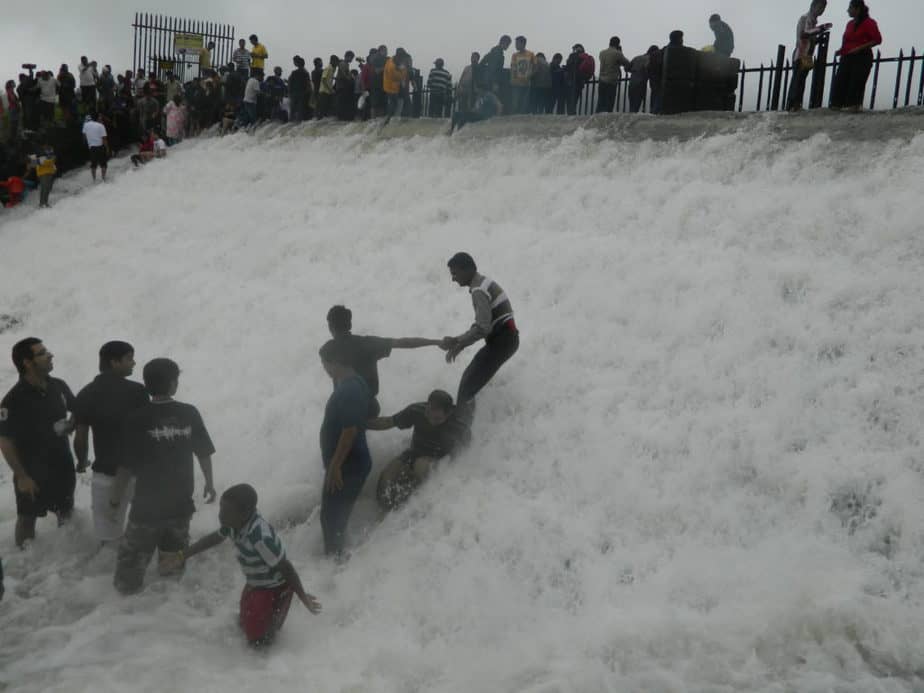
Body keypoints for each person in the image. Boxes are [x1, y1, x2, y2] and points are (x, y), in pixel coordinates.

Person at [113, 358, 216, 595]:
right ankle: (168, 615)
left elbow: (126, 467)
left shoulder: (136, 419)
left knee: (128, 575)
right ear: (173, 384)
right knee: (172, 570)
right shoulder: (189, 413)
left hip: (146, 510)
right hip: (180, 507)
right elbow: (203, 453)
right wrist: (209, 484)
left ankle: (128, 618)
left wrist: (115, 500)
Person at [180, 485, 321, 647]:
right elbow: (215, 538)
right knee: (244, 624)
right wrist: (183, 555)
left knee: (259, 640)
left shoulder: (259, 537)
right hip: (256, 584)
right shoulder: (234, 524)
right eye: (221, 509)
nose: (220, 516)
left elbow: (285, 567)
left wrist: (303, 597)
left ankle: (266, 662)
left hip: (274, 589)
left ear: (244, 513)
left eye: (226, 512)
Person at [0, 338, 76, 548]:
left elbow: (78, 409)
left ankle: (65, 565)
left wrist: (72, 423)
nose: (50, 355)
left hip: (62, 465)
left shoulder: (58, 386)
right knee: (27, 518)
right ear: (27, 362)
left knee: (66, 513)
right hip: (31, 471)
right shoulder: (13, 400)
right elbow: (5, 440)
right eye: (42, 353)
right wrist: (23, 476)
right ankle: (26, 566)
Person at [73, 342, 149, 543]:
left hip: (105, 476)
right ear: (114, 362)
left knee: (108, 539)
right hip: (138, 475)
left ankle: (103, 574)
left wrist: (81, 462)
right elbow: (149, 431)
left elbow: (80, 438)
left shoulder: (86, 393)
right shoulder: (137, 391)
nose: (134, 363)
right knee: (146, 534)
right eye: (129, 358)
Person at [326, 305, 445, 417]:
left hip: (342, 408)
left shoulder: (326, 350)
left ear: (330, 327)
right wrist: (436, 342)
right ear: (350, 324)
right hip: (368, 407)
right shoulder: (368, 343)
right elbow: (404, 342)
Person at [368, 390, 472, 512]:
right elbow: (389, 422)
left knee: (421, 466)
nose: (431, 421)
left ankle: (410, 510)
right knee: (387, 475)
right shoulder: (416, 411)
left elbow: (467, 449)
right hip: (414, 452)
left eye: (437, 419)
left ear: (448, 413)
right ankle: (383, 513)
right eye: (428, 414)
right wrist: (361, 424)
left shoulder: (458, 425)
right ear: (427, 406)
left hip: (438, 459)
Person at [441, 253, 518, 407]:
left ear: (468, 269)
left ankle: (461, 428)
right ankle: (463, 425)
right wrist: (460, 342)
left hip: (503, 341)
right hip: (506, 339)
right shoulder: (484, 283)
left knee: (468, 384)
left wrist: (458, 342)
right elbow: (484, 325)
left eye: (455, 273)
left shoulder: (478, 290)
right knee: (469, 381)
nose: (453, 279)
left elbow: (483, 327)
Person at [318, 340, 372, 558]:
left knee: (332, 519)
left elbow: (349, 431)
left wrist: (334, 466)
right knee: (333, 517)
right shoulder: (351, 382)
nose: (324, 369)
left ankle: (336, 563)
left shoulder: (349, 389)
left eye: (325, 364)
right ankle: (338, 559)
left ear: (336, 362)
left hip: (348, 466)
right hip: (349, 463)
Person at [830, 0, 882, 112]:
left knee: (856, 83)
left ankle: (852, 107)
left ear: (857, 9)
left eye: (850, 8)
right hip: (847, 57)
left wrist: (860, 48)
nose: (848, 10)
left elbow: (877, 39)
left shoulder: (869, 22)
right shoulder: (850, 24)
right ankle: (837, 106)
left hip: (862, 57)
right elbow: (846, 40)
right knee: (840, 81)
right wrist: (841, 50)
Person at [787, 1, 833, 111]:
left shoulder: (813, 21)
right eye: (820, 7)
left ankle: (797, 104)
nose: (821, 10)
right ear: (813, 6)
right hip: (801, 54)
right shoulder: (805, 18)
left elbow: (809, 38)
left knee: (801, 80)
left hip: (808, 55)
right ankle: (792, 105)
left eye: (823, 8)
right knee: (797, 80)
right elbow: (804, 33)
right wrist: (820, 28)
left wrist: (817, 38)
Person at [598, 37, 631, 113]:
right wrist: (620, 52)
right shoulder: (617, 53)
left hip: (602, 80)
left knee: (600, 103)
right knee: (609, 104)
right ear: (618, 44)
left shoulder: (602, 53)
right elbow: (627, 63)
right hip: (611, 81)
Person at [508, 36, 535, 115]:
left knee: (524, 102)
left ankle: (521, 118)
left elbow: (536, 67)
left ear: (523, 44)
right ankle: (514, 117)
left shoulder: (531, 54)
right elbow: (513, 67)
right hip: (516, 82)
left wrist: (530, 75)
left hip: (526, 83)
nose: (516, 45)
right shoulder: (514, 55)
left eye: (517, 43)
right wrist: (511, 79)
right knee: (515, 102)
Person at [565, 44, 595, 115]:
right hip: (580, 81)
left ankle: (571, 113)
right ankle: (573, 111)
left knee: (570, 99)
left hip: (572, 80)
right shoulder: (585, 56)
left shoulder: (573, 56)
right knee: (575, 98)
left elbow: (568, 67)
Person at [82, 113, 109, 181]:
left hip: (92, 147)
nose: (101, 118)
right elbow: (104, 139)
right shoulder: (101, 126)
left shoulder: (86, 125)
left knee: (93, 164)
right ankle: (103, 178)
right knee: (103, 164)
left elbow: (84, 136)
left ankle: (94, 180)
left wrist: (89, 142)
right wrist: (107, 148)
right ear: (97, 118)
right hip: (100, 146)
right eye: (100, 117)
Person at [383, 49, 409, 119]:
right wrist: (403, 69)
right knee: (393, 106)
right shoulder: (391, 65)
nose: (404, 59)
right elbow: (398, 77)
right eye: (403, 57)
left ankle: (390, 120)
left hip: (393, 87)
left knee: (395, 105)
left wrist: (402, 68)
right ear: (399, 56)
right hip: (391, 88)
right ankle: (388, 121)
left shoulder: (392, 61)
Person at [628, 47, 655, 113]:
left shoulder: (636, 57)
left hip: (632, 83)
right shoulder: (649, 59)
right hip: (640, 83)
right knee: (637, 104)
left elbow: (627, 68)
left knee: (632, 105)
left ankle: (630, 118)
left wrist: (634, 71)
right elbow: (646, 68)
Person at [31, 143, 57, 208]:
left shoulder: (51, 156)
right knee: (45, 188)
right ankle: (42, 203)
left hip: (49, 172)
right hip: (42, 173)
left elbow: (52, 163)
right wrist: (39, 161)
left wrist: (54, 168)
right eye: (48, 150)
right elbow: (34, 164)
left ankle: (45, 202)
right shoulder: (39, 155)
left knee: (48, 188)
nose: (50, 151)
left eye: (50, 150)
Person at [289, 56, 311, 123]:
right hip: (302, 94)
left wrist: (290, 92)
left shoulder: (294, 73)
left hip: (296, 93)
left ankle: (292, 122)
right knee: (300, 110)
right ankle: (298, 123)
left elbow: (290, 84)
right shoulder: (306, 72)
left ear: (297, 63)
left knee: (293, 110)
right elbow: (308, 84)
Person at [336, 51, 356, 121]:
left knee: (344, 104)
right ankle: (341, 118)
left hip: (344, 87)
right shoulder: (342, 64)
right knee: (342, 104)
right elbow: (343, 74)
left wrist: (352, 78)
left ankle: (343, 118)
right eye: (351, 58)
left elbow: (348, 74)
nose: (352, 60)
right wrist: (350, 79)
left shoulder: (346, 64)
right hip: (342, 87)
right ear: (348, 56)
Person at [369, 46, 388, 118]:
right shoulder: (376, 59)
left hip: (383, 85)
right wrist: (385, 67)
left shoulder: (385, 59)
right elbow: (377, 71)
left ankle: (379, 121)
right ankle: (373, 120)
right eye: (385, 51)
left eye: (386, 51)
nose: (386, 52)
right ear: (380, 51)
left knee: (382, 105)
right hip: (376, 85)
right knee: (375, 105)